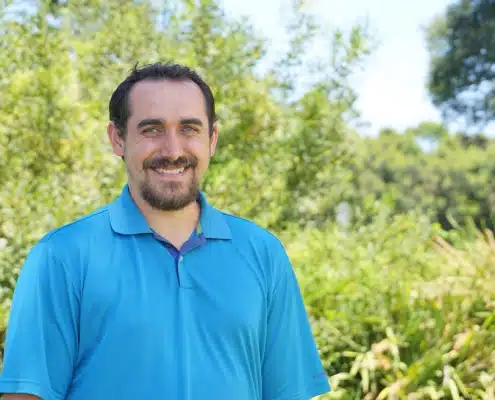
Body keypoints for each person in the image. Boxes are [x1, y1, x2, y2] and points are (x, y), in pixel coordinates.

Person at [0, 63, 331, 400]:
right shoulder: (61, 257)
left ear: (212, 139)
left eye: (189, 129)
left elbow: (288, 393)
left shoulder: (264, 254)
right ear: (117, 138)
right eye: (152, 129)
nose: (173, 151)